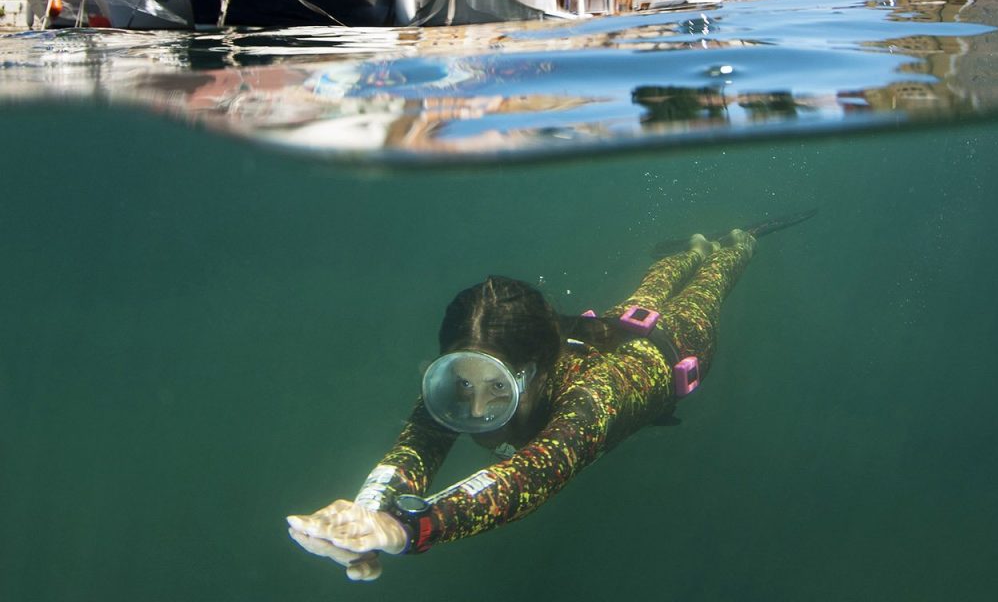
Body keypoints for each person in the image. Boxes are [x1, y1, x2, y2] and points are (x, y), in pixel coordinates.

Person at [288, 216, 810, 582]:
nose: (474, 409)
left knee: (711, 283)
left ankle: (735, 244)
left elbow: (530, 475)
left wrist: (405, 529)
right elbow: (417, 444)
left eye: (498, 387)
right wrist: (365, 517)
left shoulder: (592, 400)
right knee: (651, 287)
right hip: (619, 327)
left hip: (678, 343)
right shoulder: (465, 377)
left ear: (535, 372)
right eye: (461, 382)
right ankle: (693, 248)